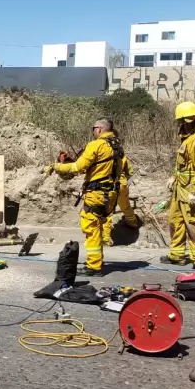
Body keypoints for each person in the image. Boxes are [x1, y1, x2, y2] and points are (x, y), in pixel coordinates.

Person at [44, 118, 124, 277]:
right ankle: (97, 261)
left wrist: (56, 166)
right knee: (99, 228)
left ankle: (94, 267)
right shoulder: (117, 146)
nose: (93, 131)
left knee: (91, 229)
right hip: (111, 194)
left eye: (93, 128)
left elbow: (77, 167)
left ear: (100, 129)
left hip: (96, 194)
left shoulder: (96, 145)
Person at [160, 102, 195, 270]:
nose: (180, 124)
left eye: (182, 121)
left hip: (190, 190)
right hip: (180, 188)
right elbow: (183, 165)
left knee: (193, 222)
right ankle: (177, 255)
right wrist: (173, 177)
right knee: (175, 220)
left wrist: (194, 192)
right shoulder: (186, 138)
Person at [100, 123, 139, 246]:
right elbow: (130, 172)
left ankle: (106, 238)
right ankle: (132, 222)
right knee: (125, 206)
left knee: (108, 210)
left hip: (112, 185)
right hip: (123, 185)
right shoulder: (121, 153)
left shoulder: (104, 152)